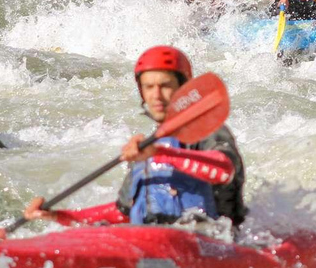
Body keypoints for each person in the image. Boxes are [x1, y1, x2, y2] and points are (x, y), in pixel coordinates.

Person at [23, 46, 247, 227]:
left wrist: (160, 154)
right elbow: (123, 214)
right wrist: (60, 216)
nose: (156, 95)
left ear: (183, 88)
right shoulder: (148, 148)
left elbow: (225, 170)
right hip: (155, 246)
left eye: (165, 85)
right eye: (148, 87)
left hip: (213, 245)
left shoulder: (207, 130)